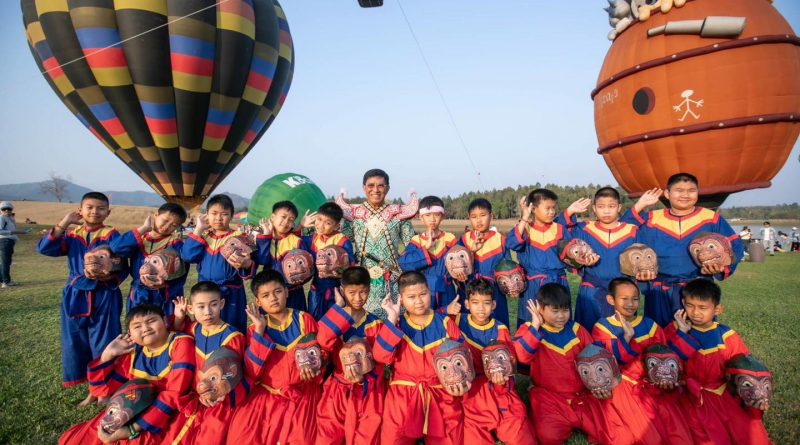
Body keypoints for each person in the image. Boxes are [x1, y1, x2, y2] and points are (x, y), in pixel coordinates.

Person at [58, 304, 195, 445]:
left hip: (167, 413)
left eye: (151, 321)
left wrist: (132, 429)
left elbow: (175, 392)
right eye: (137, 326)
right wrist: (107, 355)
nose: (145, 328)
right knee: (76, 440)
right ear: (130, 333)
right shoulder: (134, 352)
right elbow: (105, 389)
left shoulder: (181, 343)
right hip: (133, 410)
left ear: (165, 321)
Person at [512, 283, 629, 445]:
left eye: (565, 310)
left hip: (581, 395)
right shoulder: (529, 329)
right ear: (540, 309)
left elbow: (596, 358)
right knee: (548, 436)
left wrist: (601, 385)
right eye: (555, 311)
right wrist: (535, 326)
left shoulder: (576, 330)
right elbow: (522, 357)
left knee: (614, 430)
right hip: (549, 397)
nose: (561, 316)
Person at [623, 173, 744, 327]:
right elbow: (622, 231)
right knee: (658, 335)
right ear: (667, 194)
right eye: (679, 190)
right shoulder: (651, 219)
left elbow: (735, 246)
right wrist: (640, 205)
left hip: (697, 289)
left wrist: (720, 268)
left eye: (691, 190)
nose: (685, 195)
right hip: (659, 290)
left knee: (697, 335)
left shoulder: (711, 218)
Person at [37, 192, 121, 404]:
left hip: (104, 293)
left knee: (104, 341)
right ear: (80, 210)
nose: (95, 212)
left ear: (108, 212)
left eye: (101, 208)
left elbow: (122, 263)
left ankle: (104, 391)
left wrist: (107, 273)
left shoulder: (112, 235)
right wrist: (64, 223)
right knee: (76, 342)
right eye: (89, 207)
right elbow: (45, 248)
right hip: (75, 294)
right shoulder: (73, 235)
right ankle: (92, 389)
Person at [666, 279, 771, 445]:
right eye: (690, 306)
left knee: (746, 431)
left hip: (723, 394)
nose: (695, 312)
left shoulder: (726, 335)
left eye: (703, 308)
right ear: (683, 304)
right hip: (690, 396)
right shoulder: (674, 329)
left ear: (717, 309)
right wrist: (683, 334)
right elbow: (669, 363)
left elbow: (743, 368)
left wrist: (756, 394)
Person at [591, 277, 694, 444]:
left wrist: (681, 332)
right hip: (623, 385)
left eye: (635, 299)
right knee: (646, 435)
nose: (630, 304)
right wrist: (626, 337)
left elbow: (665, 355)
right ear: (611, 300)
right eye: (624, 299)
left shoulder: (649, 325)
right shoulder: (602, 327)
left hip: (651, 383)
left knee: (676, 430)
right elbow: (607, 363)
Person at [226, 270, 322, 444]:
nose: (273, 298)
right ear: (258, 301)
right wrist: (259, 330)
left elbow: (319, 355)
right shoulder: (254, 329)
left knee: (301, 437)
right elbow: (252, 372)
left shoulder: (304, 320)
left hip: (301, 392)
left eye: (277, 291)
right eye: (265, 295)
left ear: (286, 292)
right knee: (242, 435)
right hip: (267, 393)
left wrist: (313, 368)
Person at [373, 271, 465, 445]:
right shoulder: (397, 324)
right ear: (401, 299)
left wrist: (460, 382)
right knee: (393, 438)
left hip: (441, 391)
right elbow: (380, 356)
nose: (418, 301)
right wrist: (391, 318)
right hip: (403, 395)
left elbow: (462, 359)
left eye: (423, 294)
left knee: (450, 436)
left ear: (429, 291)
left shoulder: (445, 323)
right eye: (411, 297)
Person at [162, 281, 247, 445]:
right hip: (193, 397)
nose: (208, 312)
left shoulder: (232, 337)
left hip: (219, 401)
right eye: (200, 307)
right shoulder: (193, 329)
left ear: (222, 304)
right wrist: (179, 318)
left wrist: (217, 393)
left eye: (213, 304)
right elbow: (177, 339)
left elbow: (233, 372)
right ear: (191, 308)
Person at [457, 278, 535, 445]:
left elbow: (509, 363)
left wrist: (503, 381)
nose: (481, 308)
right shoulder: (457, 321)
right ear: (467, 304)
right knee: (473, 434)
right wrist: (445, 309)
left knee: (519, 430)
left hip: (498, 387)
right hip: (472, 389)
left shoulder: (501, 329)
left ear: (493, 305)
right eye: (475, 303)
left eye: (486, 303)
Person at [315, 266, 385, 445]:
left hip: (368, 390)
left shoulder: (375, 323)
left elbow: (380, 360)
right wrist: (339, 308)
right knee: (328, 435)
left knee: (366, 436)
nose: (358, 298)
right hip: (338, 387)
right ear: (342, 289)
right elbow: (323, 341)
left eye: (363, 292)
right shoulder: (336, 319)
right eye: (352, 293)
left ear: (370, 290)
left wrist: (365, 380)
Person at [337, 168, 416, 319]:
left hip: (392, 280)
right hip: (362, 281)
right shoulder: (352, 214)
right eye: (371, 185)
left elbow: (411, 245)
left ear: (387, 188)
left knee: (394, 320)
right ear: (364, 188)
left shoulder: (398, 214)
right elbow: (343, 243)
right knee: (362, 322)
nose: (375, 190)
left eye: (380, 185)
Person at [562, 187, 642, 330]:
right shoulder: (584, 229)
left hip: (622, 292)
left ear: (619, 207)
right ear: (594, 208)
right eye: (601, 207)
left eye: (611, 206)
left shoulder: (632, 231)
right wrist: (569, 212)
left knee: (620, 332)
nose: (606, 211)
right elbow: (558, 232)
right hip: (591, 290)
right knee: (588, 331)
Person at [182, 194, 256, 332]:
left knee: (232, 328)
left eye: (224, 214)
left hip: (231, 293)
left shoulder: (241, 238)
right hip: (205, 291)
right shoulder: (203, 236)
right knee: (206, 325)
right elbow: (187, 256)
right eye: (214, 213)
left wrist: (246, 264)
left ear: (231, 215)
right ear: (207, 214)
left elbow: (250, 266)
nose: (218, 218)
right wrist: (198, 229)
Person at [507, 189, 577, 326]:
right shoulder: (525, 228)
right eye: (547, 208)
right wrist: (524, 218)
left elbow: (571, 256)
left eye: (553, 208)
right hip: (532, 285)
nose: (552, 212)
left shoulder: (560, 229)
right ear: (533, 208)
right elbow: (512, 243)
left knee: (559, 321)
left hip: (558, 282)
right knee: (531, 323)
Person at [111, 203, 187, 315]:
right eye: (165, 220)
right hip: (139, 294)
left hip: (164, 296)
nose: (167, 226)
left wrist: (165, 285)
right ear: (156, 215)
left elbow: (182, 275)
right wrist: (143, 229)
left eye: (173, 225)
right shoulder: (139, 239)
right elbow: (116, 248)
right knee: (138, 322)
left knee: (164, 324)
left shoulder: (176, 245)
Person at [453, 198, 510, 325]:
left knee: (496, 324)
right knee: (467, 325)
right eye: (474, 217)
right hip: (469, 288)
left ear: (491, 216)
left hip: (494, 290)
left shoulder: (501, 240)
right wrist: (470, 252)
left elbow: (508, 268)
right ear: (469, 218)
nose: (478, 220)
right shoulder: (464, 240)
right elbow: (456, 264)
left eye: (483, 215)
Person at [398, 195, 458, 312]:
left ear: (443, 216)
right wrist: (425, 248)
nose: (432, 219)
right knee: (425, 317)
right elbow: (403, 263)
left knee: (448, 318)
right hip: (424, 290)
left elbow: (460, 261)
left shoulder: (450, 239)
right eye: (428, 215)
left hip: (446, 289)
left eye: (436, 215)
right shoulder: (417, 240)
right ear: (421, 217)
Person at [301, 202, 355, 320]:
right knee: (314, 319)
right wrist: (301, 226)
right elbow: (295, 242)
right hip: (316, 289)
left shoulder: (342, 241)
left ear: (337, 226)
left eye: (328, 223)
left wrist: (337, 272)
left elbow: (350, 266)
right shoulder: (313, 239)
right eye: (319, 219)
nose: (321, 225)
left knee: (335, 320)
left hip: (336, 290)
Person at [256, 200, 309, 312]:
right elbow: (262, 260)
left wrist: (301, 279)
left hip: (294, 292)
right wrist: (266, 236)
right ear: (272, 217)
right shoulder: (264, 239)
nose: (286, 222)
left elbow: (307, 267)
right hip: (271, 292)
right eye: (283, 217)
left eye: (291, 220)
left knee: (296, 320)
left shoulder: (297, 241)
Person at [0, 201, 31, 288]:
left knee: (6, 262)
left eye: (9, 209)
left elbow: (12, 230)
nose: (7, 210)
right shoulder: (2, 218)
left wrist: (23, 231)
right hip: (4, 241)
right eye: (4, 209)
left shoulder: (10, 219)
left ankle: (3, 279)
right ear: (1, 210)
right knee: (6, 262)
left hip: (9, 241)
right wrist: (15, 232)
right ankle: (6, 282)